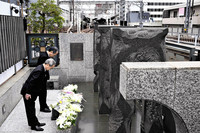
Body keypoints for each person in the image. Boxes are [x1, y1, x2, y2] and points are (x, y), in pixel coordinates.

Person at [21, 58, 56, 131]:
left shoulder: (43, 69)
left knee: (32, 108)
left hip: (32, 91)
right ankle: (33, 126)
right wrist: (27, 93)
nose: (50, 69)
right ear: (46, 64)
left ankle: (36, 122)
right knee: (30, 109)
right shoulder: (39, 70)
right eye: (50, 67)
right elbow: (31, 82)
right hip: (28, 92)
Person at [37, 46, 58, 113]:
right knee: (42, 93)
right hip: (41, 77)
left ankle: (44, 105)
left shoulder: (46, 55)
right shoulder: (44, 56)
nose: (54, 56)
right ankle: (42, 107)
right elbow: (41, 67)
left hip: (44, 77)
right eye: (54, 54)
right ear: (51, 52)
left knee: (44, 92)